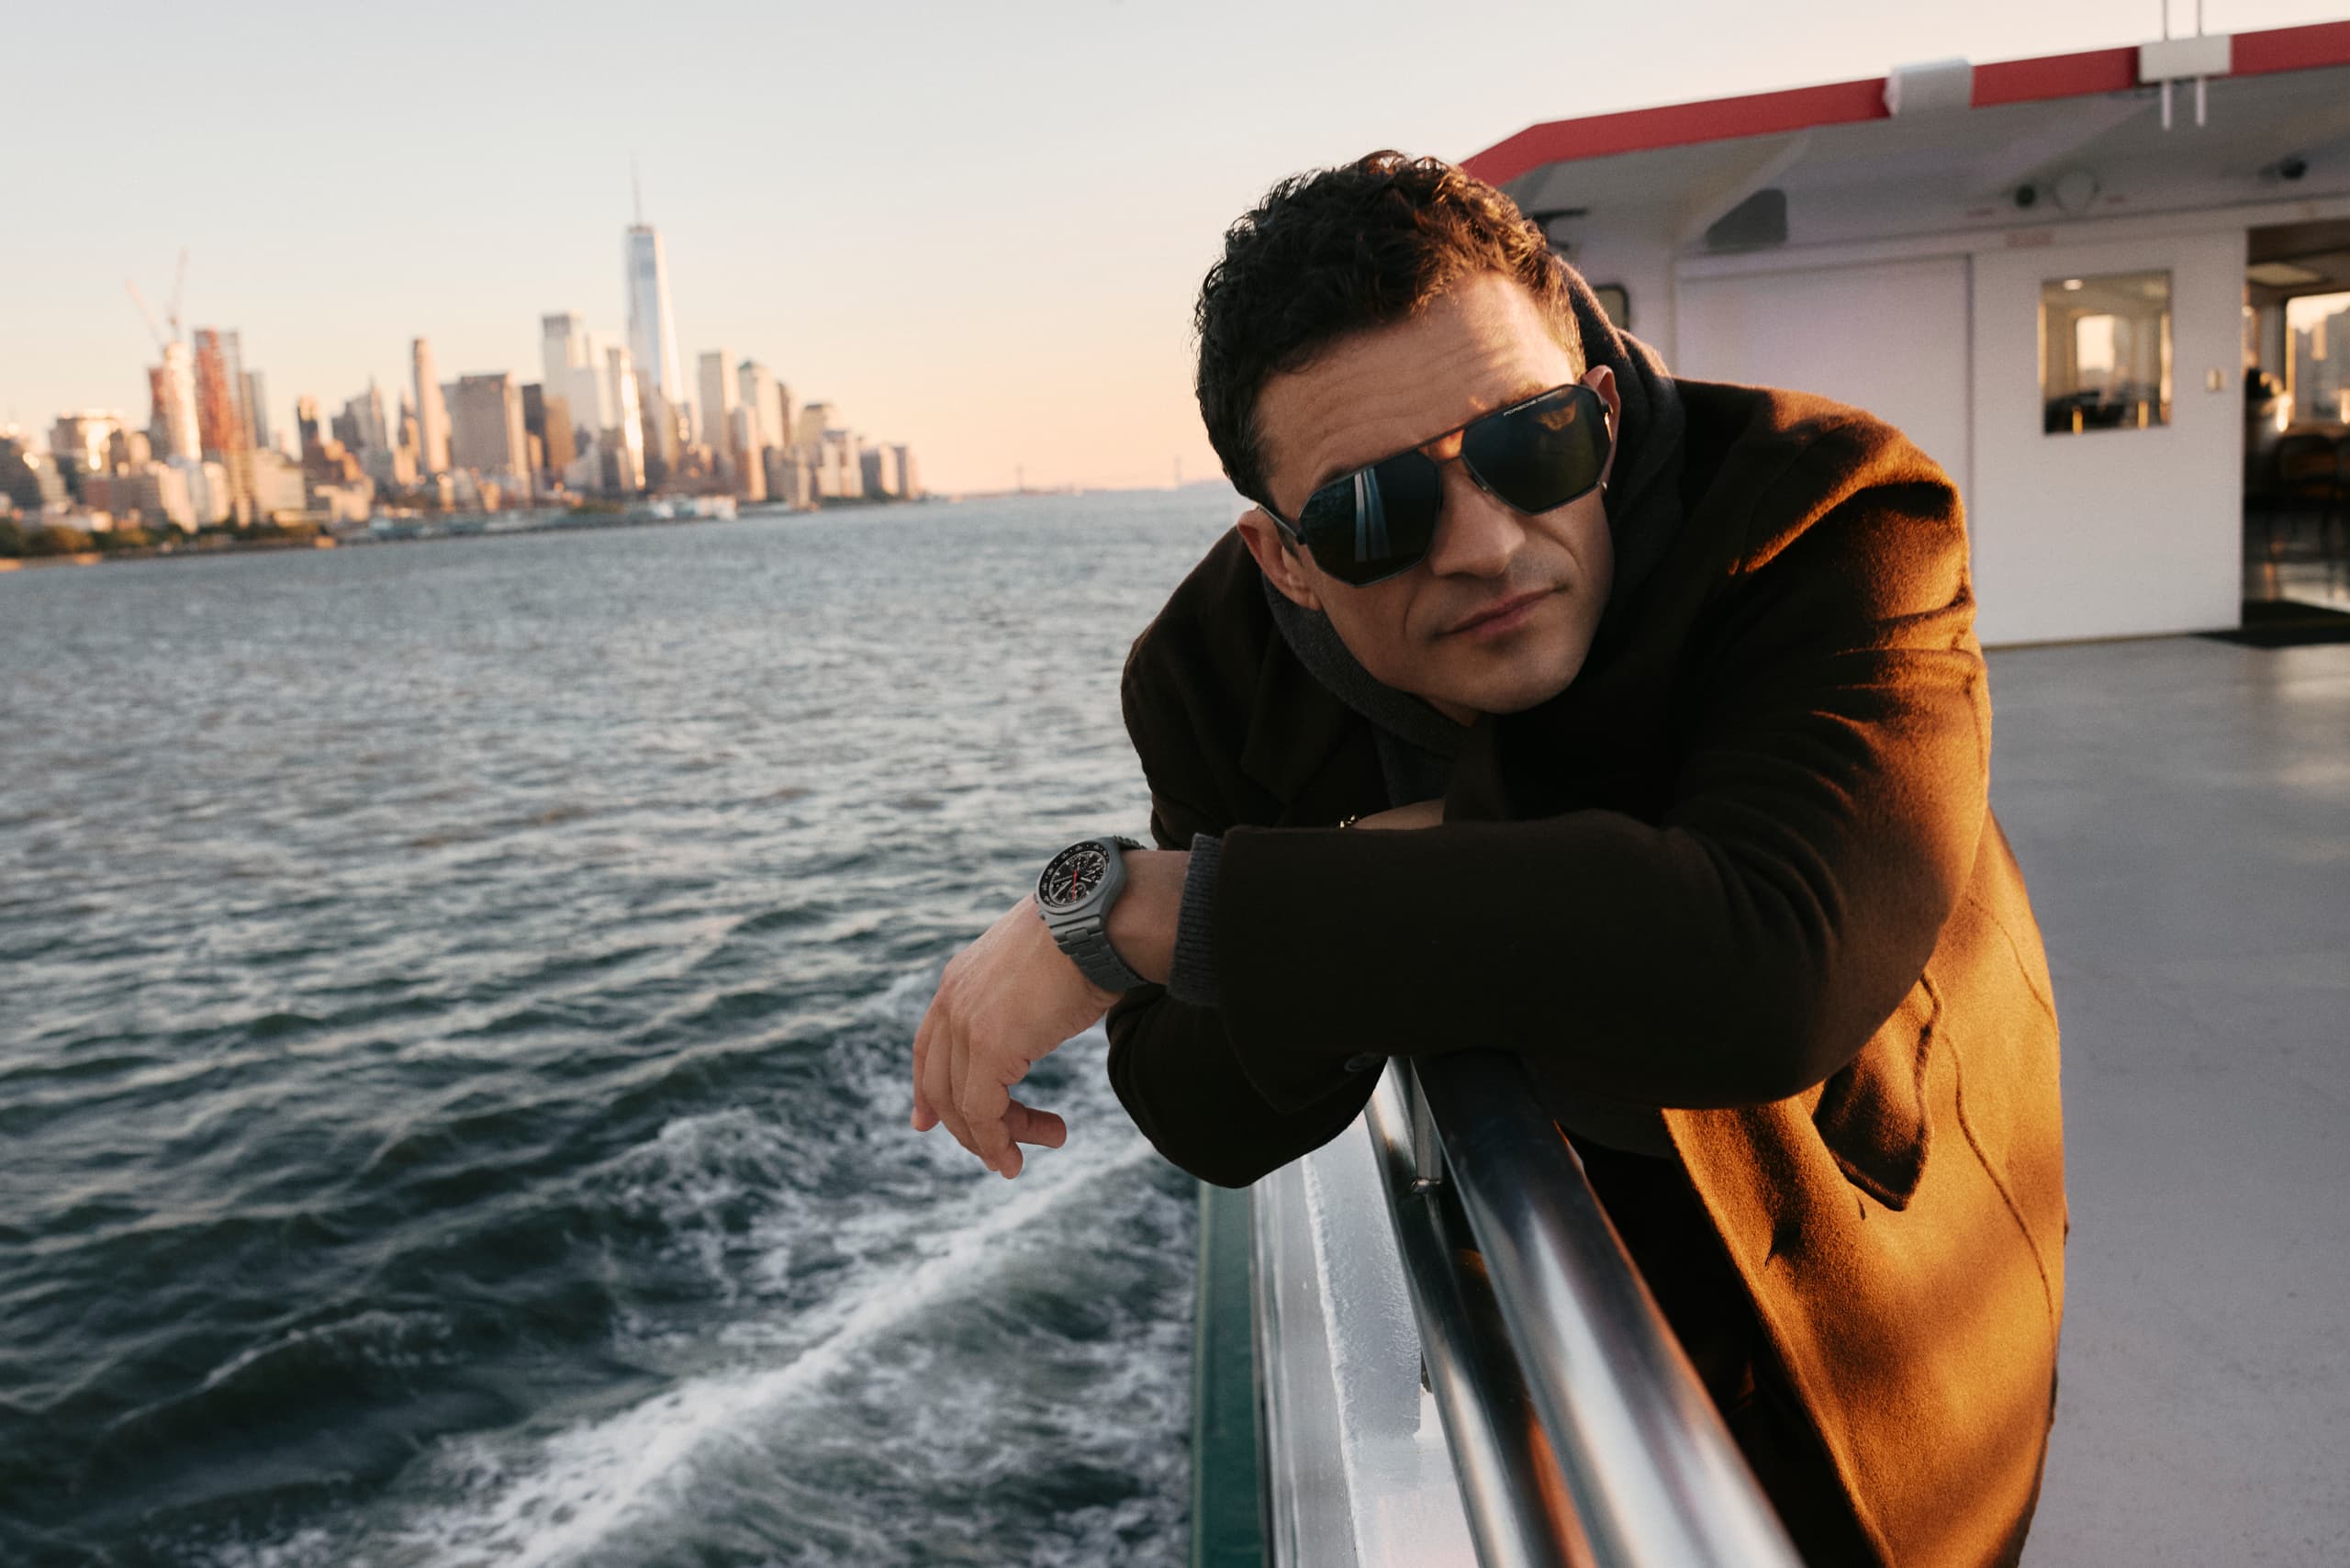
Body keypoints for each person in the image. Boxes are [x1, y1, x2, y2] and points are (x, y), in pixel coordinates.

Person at [912, 151, 2065, 1568]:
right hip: (1534, 1306)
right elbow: (1200, 1105)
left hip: (1870, 1294)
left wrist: (1160, 904)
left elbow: (1773, 968)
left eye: (1531, 447)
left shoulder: (1823, 518)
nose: (1487, 544)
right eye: (1375, 516)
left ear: (1596, 397)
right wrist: (1372, 872)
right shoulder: (1211, 675)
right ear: (1283, 561)